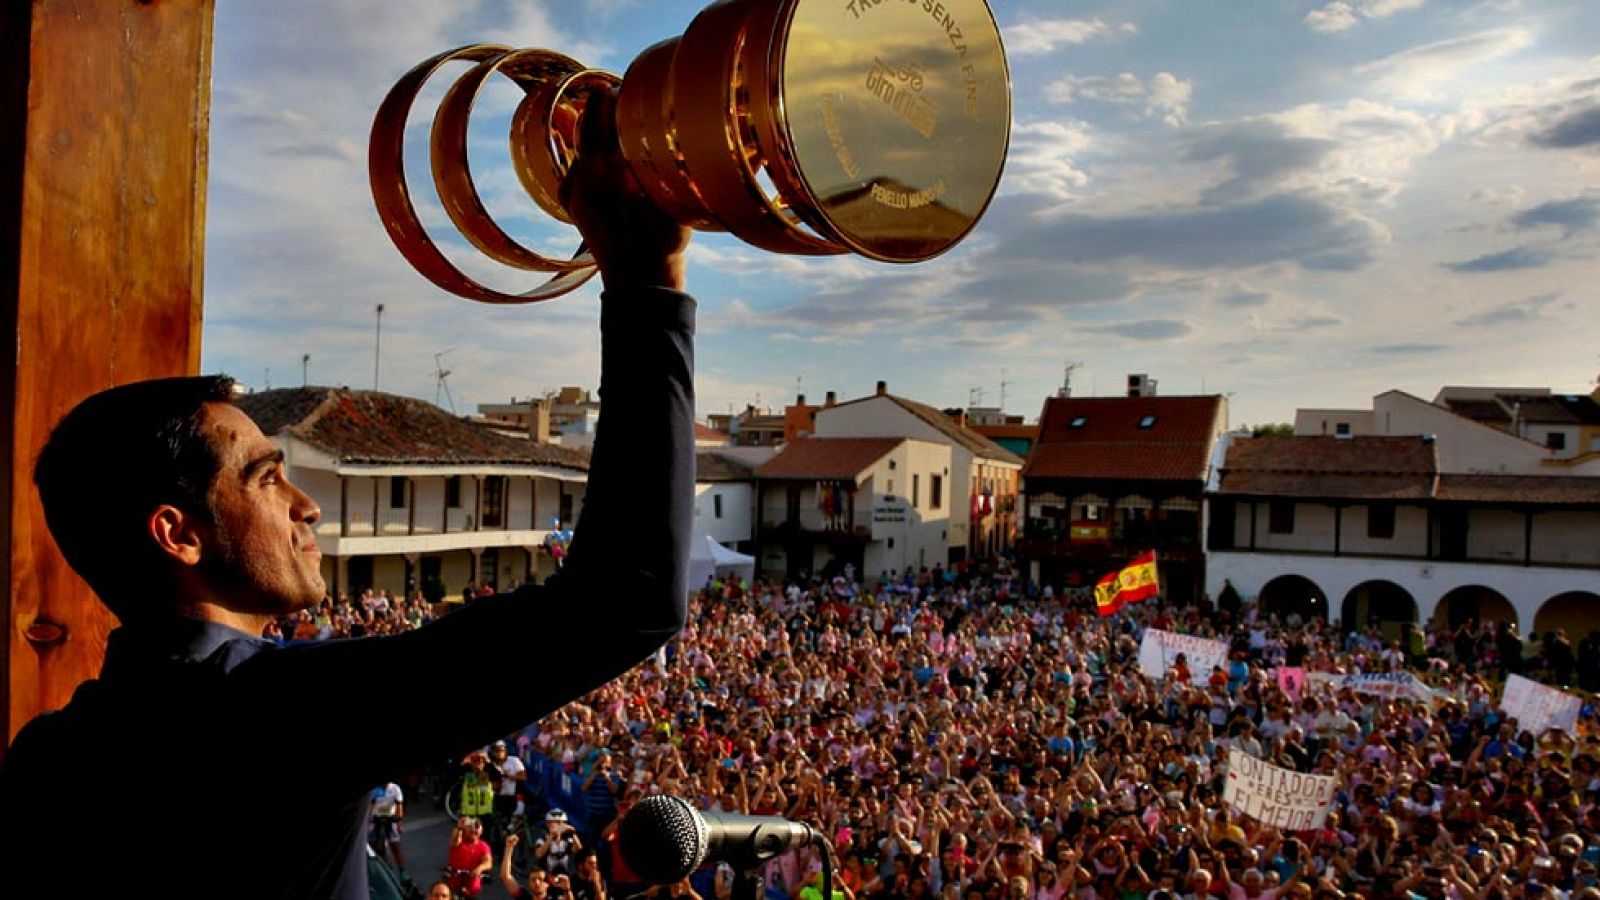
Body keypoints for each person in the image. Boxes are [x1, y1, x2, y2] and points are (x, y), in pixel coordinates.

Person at [0, 87, 695, 900]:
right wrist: (646, 280)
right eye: (266, 478)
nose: (308, 506)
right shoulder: (275, 715)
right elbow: (626, 599)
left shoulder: (46, 757)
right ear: (178, 534)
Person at [446, 816, 494, 898]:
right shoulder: (460, 841)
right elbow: (455, 839)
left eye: (476, 828)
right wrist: (459, 827)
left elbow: (488, 862)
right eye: (470, 828)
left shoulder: (483, 846)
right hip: (454, 880)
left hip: (472, 883)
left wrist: (479, 868)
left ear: (481, 831)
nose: (473, 830)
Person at [370, 780, 408, 872]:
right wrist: (369, 821)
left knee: (395, 846)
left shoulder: (395, 788)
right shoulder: (374, 790)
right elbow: (370, 806)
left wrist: (399, 822)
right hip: (376, 819)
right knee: (372, 845)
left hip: (391, 819)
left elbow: (399, 805)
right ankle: (374, 869)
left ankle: (402, 871)